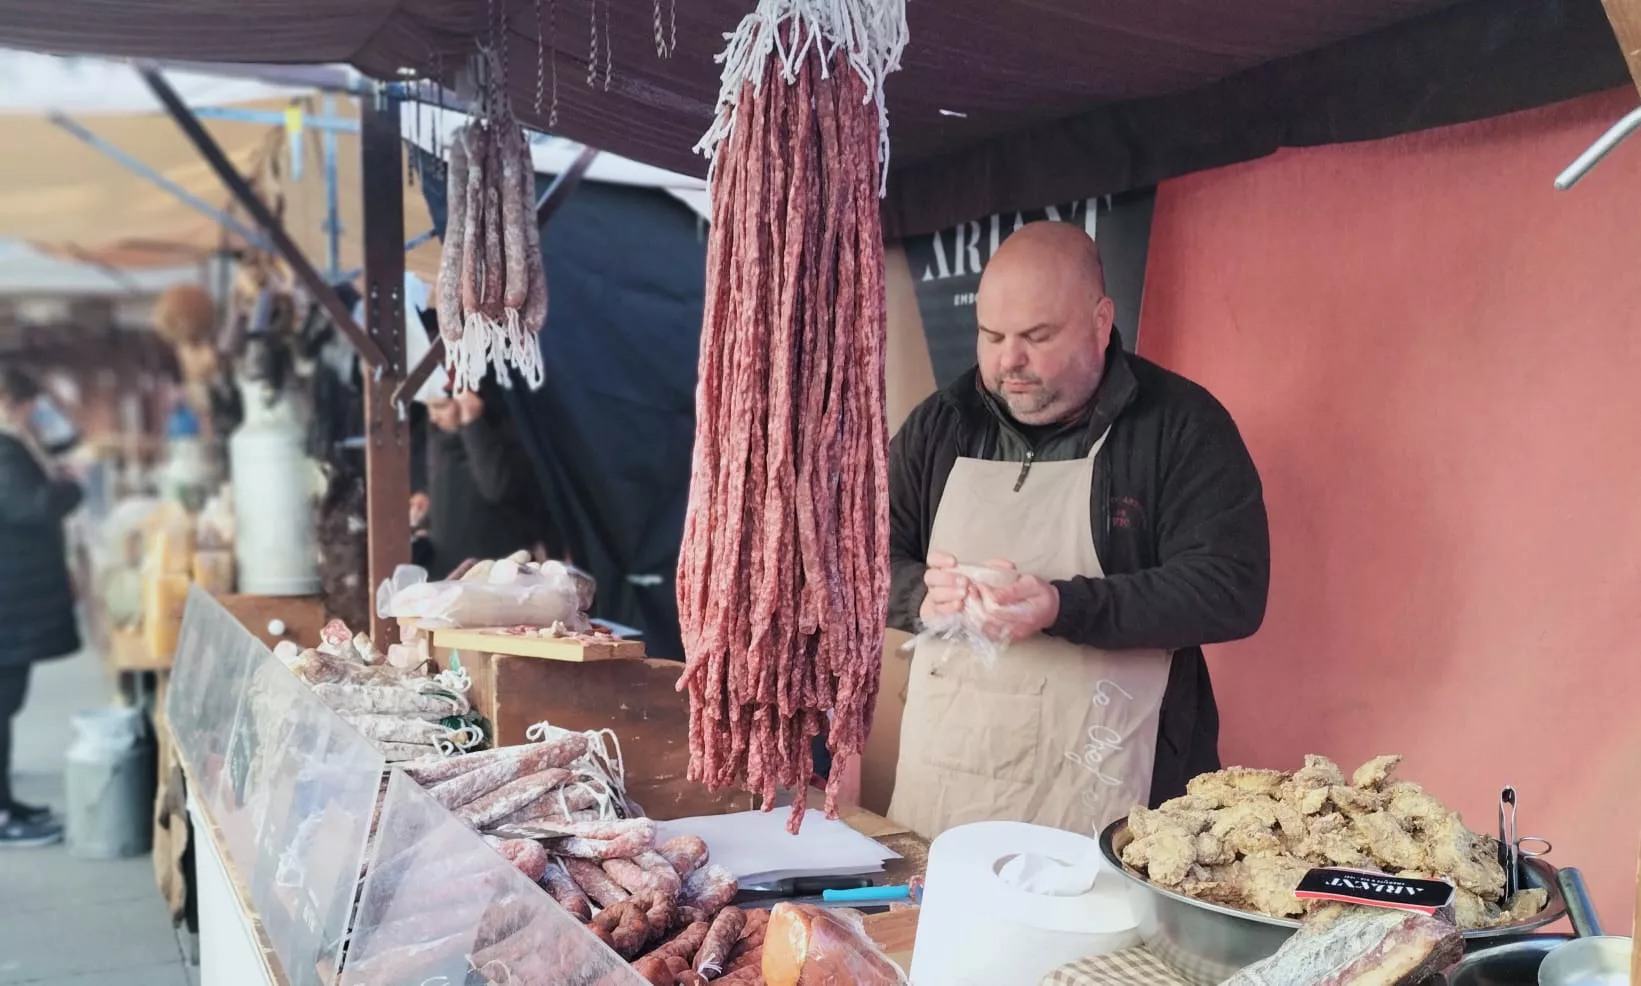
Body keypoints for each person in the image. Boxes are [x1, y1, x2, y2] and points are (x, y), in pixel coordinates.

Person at [884, 222, 1270, 840]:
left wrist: (1062, 605)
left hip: (1115, 783)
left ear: (1100, 321)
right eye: (992, 336)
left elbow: (1230, 589)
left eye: (1037, 337)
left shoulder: (1181, 425)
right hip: (952, 777)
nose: (1009, 361)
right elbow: (860, 568)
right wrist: (920, 596)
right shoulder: (942, 425)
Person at [0, 367, 83, 847]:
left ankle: (6, 804)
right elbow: (31, 507)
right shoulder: (4, 449)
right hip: (9, 598)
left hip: (12, 597)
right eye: (29, 403)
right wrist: (71, 486)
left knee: (5, 705)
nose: (34, 412)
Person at [422, 379, 559, 578]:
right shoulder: (441, 437)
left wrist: (472, 423)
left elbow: (495, 487)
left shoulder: (503, 436)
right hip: (448, 568)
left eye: (440, 407)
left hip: (495, 568)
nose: (433, 417)